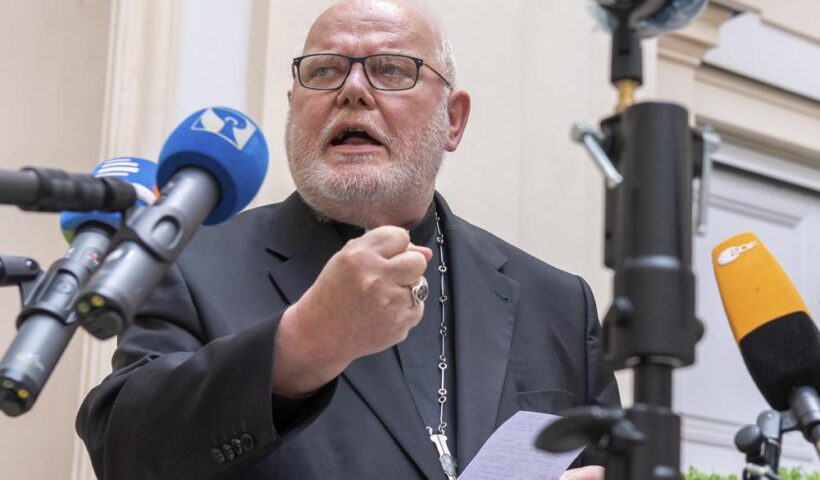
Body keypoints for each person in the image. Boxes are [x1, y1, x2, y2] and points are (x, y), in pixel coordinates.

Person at [76, 1, 619, 479]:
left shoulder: (557, 304)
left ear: (453, 121)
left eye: (390, 69)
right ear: (294, 107)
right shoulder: (193, 264)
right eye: (324, 71)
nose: (352, 91)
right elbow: (123, 452)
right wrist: (300, 346)